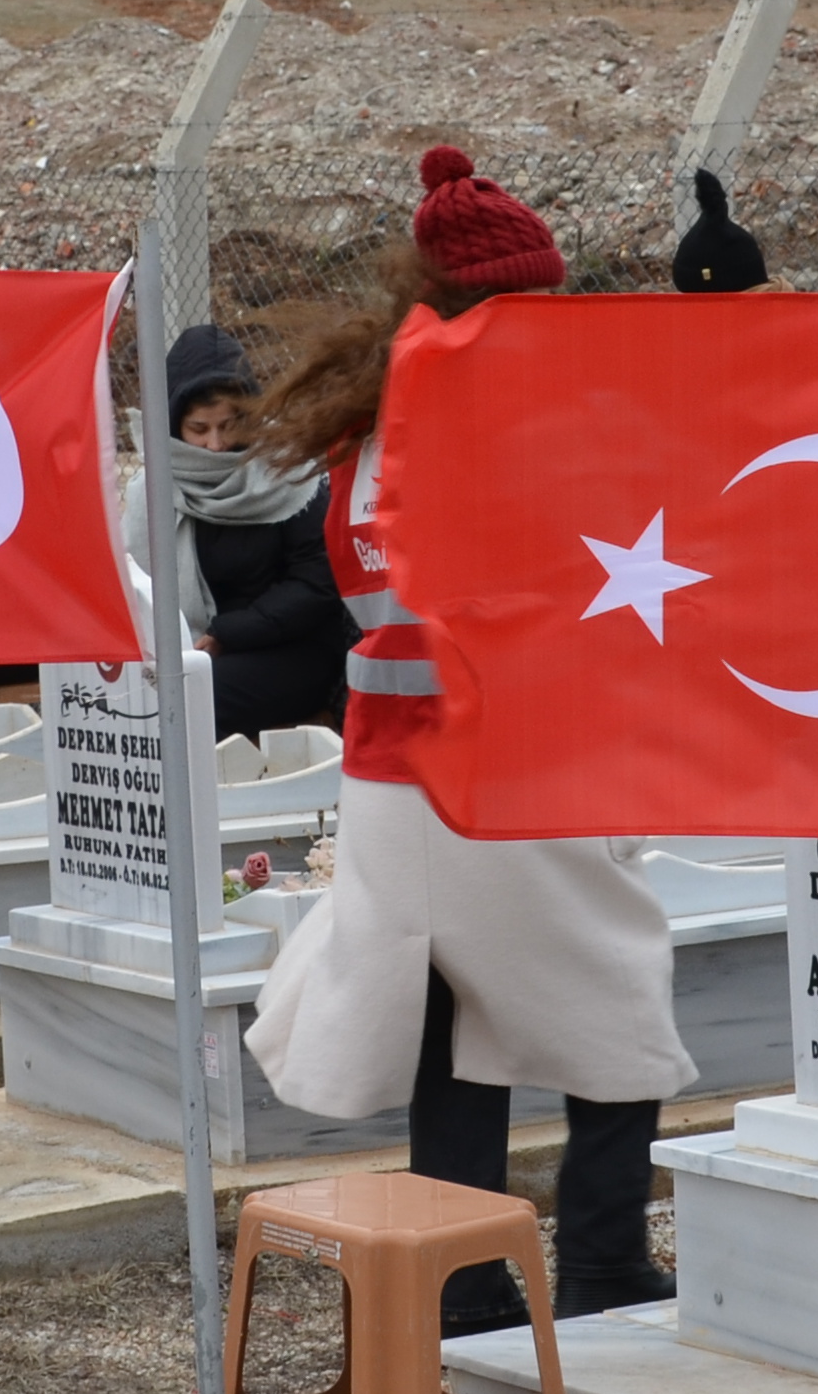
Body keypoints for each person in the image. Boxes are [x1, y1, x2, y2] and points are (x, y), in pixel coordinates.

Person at [246, 146, 690, 1327]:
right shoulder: (499, 416)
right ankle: (597, 1257)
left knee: (459, 1018)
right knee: (620, 994)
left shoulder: (375, 420)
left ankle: (465, 1281)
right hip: (504, 761)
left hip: (399, 766)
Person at [154, 324, 341, 739]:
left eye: (229, 426)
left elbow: (316, 585)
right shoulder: (155, 487)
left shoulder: (288, 471)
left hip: (292, 651)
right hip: (197, 652)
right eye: (199, 429)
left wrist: (227, 634)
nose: (216, 446)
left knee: (185, 700)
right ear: (172, 425)